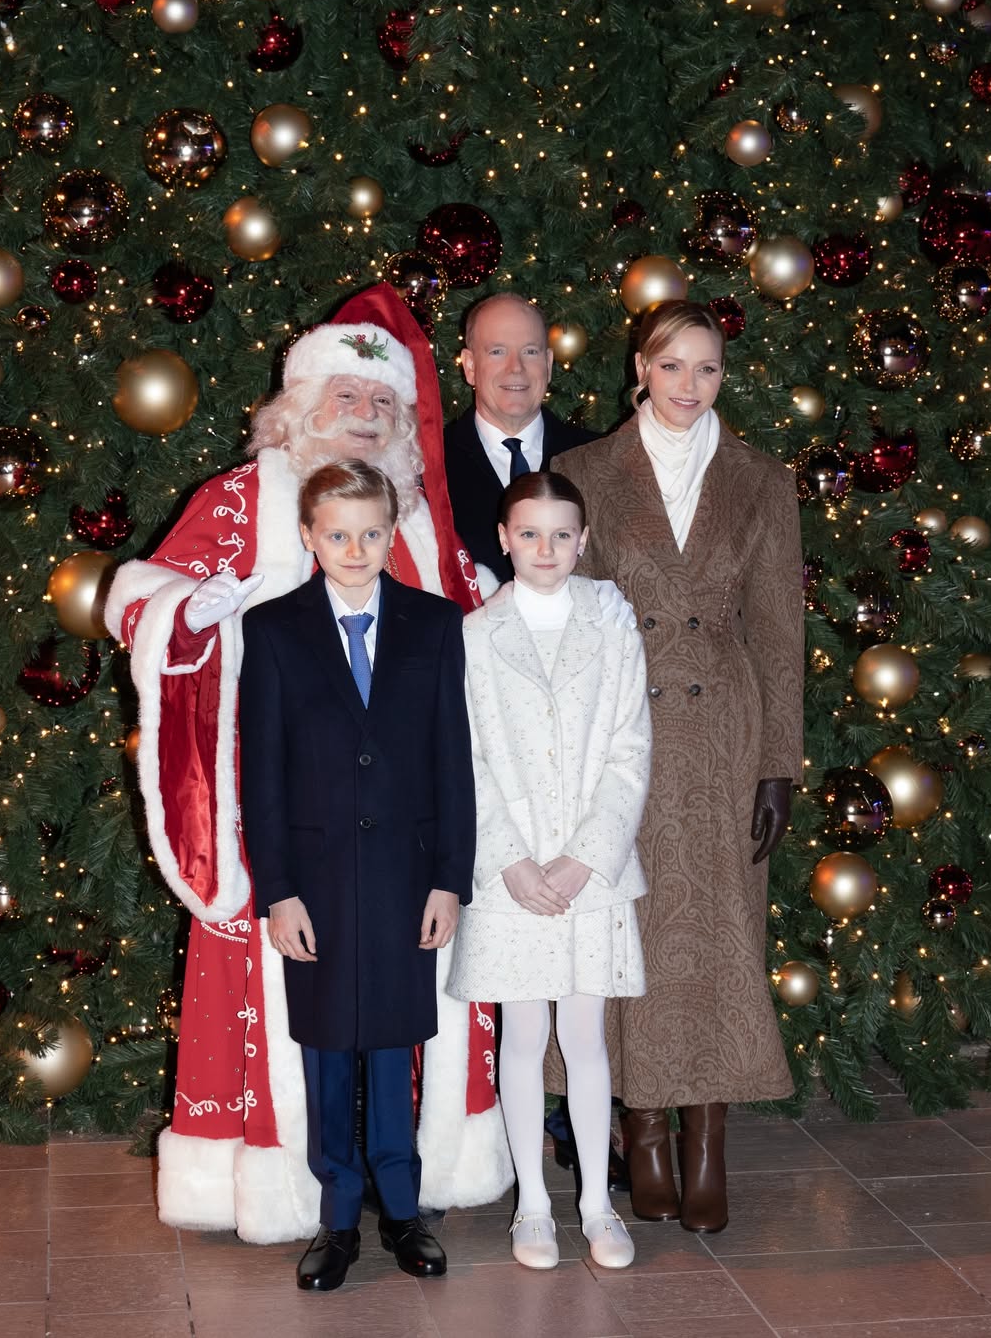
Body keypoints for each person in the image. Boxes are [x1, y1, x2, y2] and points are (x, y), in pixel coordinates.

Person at [103, 285, 512, 1245]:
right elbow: (141, 599)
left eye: (383, 404)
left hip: (407, 837)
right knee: (301, 1022)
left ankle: (406, 1184)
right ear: (298, 409)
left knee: (406, 1009)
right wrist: (192, 615)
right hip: (285, 822)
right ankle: (299, 1188)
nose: (366, 419)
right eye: (346, 399)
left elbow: (468, 663)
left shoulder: (416, 520)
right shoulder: (242, 501)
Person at [553, 300, 804, 1235]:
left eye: (707, 368)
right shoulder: (583, 472)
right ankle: (643, 1133)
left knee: (722, 933)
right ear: (641, 369)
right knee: (631, 930)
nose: (689, 386)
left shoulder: (761, 480)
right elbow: (565, 627)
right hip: (620, 734)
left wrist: (778, 762)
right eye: (673, 367)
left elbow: (780, 631)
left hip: (723, 733)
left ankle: (709, 1142)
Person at [238, 460, 474, 1289]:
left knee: (393, 1042)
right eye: (337, 533)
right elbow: (261, 776)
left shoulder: (435, 625)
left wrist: (451, 878)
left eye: (370, 532)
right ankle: (337, 1218)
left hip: (409, 878)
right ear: (309, 537)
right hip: (319, 882)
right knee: (329, 1046)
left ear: (391, 532)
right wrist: (279, 890)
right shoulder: (272, 632)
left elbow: (455, 761)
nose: (354, 547)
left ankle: (403, 1210)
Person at [449, 471, 652, 1270]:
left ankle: (598, 1205)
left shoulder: (611, 622)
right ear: (503, 539)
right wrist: (511, 861)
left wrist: (585, 856)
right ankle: (534, 1203)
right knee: (523, 1033)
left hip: (590, 871)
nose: (545, 549)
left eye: (561, 535)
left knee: (587, 1035)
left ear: (583, 539)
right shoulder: (475, 636)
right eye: (528, 534)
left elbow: (631, 745)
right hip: (513, 877)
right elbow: (465, 759)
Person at [444, 294, 598, 585]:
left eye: (529, 352)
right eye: (497, 352)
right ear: (470, 366)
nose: (515, 368)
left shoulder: (597, 456)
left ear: (549, 364)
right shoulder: (428, 467)